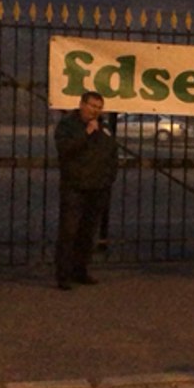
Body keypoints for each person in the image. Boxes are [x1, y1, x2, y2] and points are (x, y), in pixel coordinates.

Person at [53, 91, 118, 291]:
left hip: (98, 187)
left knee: (88, 232)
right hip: (75, 186)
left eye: (99, 107)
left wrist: (108, 178)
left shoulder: (104, 127)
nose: (95, 111)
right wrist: (86, 133)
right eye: (92, 106)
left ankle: (81, 270)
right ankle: (63, 274)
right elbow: (65, 149)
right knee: (69, 231)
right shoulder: (68, 125)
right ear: (82, 104)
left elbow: (111, 153)